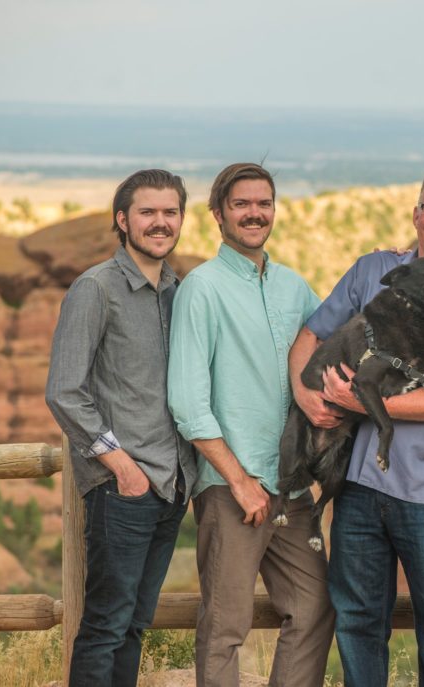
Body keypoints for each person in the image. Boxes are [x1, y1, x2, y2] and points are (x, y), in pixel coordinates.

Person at [290, 167, 424, 686]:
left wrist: (364, 403)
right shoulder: (373, 270)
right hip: (359, 483)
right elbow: (311, 333)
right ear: (416, 215)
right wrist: (304, 393)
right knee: (359, 622)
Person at [167, 163, 334, 686]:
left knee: (313, 610)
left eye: (263, 203)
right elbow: (187, 402)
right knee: (225, 626)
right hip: (231, 487)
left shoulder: (292, 286)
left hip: (291, 486)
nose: (254, 213)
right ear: (218, 214)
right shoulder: (203, 288)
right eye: (241, 204)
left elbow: (344, 341)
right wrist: (239, 481)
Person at [46, 169, 198, 687]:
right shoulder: (96, 289)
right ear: (122, 220)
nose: (161, 223)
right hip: (124, 488)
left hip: (173, 485)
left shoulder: (179, 291)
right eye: (148, 212)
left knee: (134, 623)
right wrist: (120, 465)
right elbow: (65, 390)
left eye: (170, 212)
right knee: (106, 625)